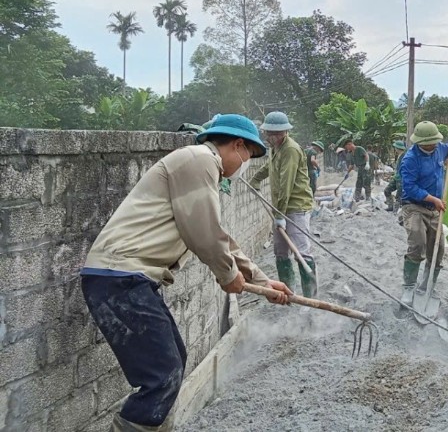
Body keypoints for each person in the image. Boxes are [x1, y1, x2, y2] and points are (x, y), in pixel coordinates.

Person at [81, 114, 292, 432]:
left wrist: (261, 280)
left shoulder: (201, 166)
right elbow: (204, 233)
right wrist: (227, 276)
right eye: (249, 155)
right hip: (118, 275)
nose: (246, 163)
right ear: (237, 145)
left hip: (129, 278)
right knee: (162, 374)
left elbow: (220, 237)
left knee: (173, 363)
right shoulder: (199, 160)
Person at [249, 111, 318, 298]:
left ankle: (310, 297)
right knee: (280, 252)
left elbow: (285, 184)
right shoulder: (275, 148)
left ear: (285, 132)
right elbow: (269, 167)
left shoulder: (290, 149)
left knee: (301, 252)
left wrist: (280, 216)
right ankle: (288, 292)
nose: (274, 136)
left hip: (295, 207)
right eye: (271, 133)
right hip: (280, 207)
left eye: (278, 133)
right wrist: (255, 179)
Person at [399, 120, 448, 303]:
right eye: (430, 142)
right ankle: (409, 286)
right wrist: (433, 199)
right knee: (417, 242)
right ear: (420, 142)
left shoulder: (440, 150)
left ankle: (427, 286)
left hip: (435, 210)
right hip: (414, 207)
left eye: (436, 141)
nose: (434, 145)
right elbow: (409, 188)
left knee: (438, 248)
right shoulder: (410, 159)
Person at [384, 140, 407, 212]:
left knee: (399, 196)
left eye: (395, 148)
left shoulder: (405, 156)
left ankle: (395, 211)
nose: (395, 149)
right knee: (387, 190)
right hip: (396, 177)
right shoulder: (399, 156)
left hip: (401, 179)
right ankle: (390, 206)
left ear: (397, 148)